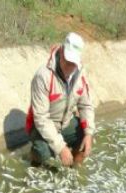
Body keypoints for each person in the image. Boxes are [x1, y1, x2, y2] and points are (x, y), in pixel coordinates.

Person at [25, 32, 95, 167]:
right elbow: (41, 118)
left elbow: (86, 105)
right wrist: (61, 148)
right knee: (43, 153)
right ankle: (34, 157)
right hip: (41, 126)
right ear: (62, 51)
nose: (69, 66)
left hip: (65, 123)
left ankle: (74, 170)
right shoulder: (43, 76)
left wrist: (89, 133)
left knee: (85, 140)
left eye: (73, 63)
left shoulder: (79, 75)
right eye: (67, 61)